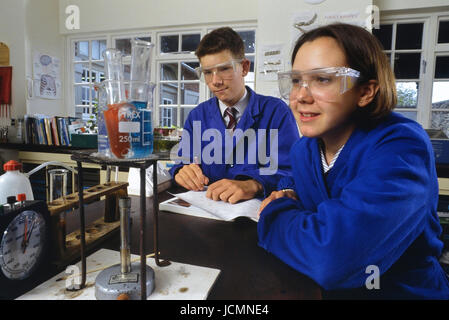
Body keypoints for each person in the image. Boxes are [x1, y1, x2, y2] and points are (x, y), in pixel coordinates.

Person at [257, 23, 449, 299]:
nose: (300, 96)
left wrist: (275, 214)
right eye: (297, 80)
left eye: (323, 79)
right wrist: (291, 190)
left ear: (365, 92)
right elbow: (298, 180)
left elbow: (332, 258)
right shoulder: (304, 149)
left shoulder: (401, 146)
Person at [169, 27, 299, 203]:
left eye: (224, 69)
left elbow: (291, 172)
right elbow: (182, 163)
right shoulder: (196, 116)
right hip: (205, 216)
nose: (215, 81)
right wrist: (181, 172)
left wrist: (254, 184)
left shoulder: (277, 112)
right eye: (207, 72)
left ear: (244, 67)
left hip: (255, 220)